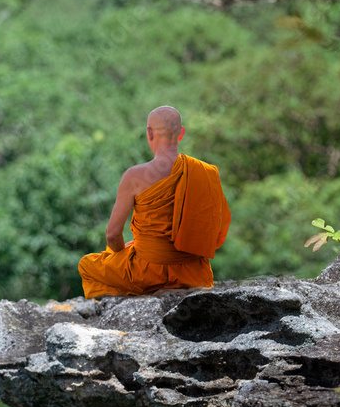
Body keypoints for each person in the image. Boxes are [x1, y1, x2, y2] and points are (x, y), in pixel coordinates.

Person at [78, 106, 231, 298]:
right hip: (193, 275)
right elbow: (215, 233)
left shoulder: (134, 176)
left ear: (149, 133)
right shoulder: (206, 173)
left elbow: (112, 235)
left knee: (87, 264)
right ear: (181, 133)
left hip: (146, 274)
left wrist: (121, 255)